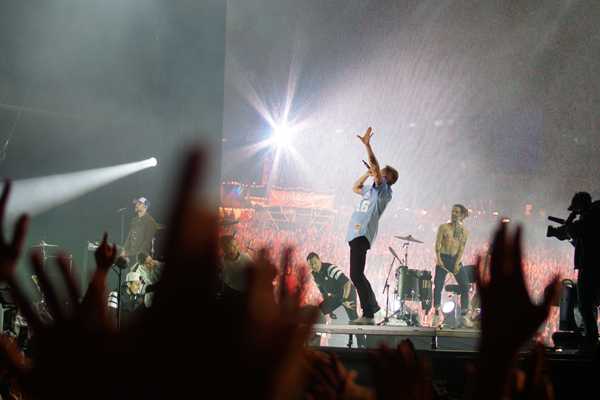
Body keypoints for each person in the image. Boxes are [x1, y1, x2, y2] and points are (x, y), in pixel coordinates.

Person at [347, 127, 398, 325]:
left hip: (362, 233)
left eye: (382, 173)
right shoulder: (372, 188)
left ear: (388, 179)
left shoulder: (384, 191)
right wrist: (366, 173)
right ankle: (372, 307)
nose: (379, 173)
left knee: (356, 274)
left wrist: (367, 145)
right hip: (355, 233)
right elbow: (355, 187)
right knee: (357, 274)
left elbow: (376, 167)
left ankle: (369, 313)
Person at [563, 192, 600, 350]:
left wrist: (569, 227)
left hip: (589, 268)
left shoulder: (589, 219)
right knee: (589, 304)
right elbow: (581, 242)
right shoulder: (592, 217)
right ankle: (592, 337)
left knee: (585, 304)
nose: (575, 213)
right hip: (593, 266)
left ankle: (591, 339)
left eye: (576, 209)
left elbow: (577, 233)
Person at [307, 252, 366, 347]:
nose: (313, 266)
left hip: (348, 292)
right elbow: (324, 293)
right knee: (318, 312)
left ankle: (362, 344)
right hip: (335, 296)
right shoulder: (315, 275)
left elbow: (347, 283)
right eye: (311, 265)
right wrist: (329, 310)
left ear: (319, 260)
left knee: (353, 318)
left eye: (315, 262)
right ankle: (315, 344)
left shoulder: (330, 269)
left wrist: (345, 300)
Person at [432, 204, 474, 328]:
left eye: (456, 212)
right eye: (453, 211)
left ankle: (464, 314)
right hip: (443, 258)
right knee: (438, 285)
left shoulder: (464, 232)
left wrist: (456, 263)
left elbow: (461, 249)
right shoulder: (443, 227)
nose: (454, 214)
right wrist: (439, 259)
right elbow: (437, 245)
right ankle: (436, 312)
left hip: (455, 259)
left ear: (461, 215)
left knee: (465, 285)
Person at [121, 197, 158, 262]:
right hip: (130, 253)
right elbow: (129, 236)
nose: (136, 205)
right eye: (136, 203)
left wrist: (139, 254)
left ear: (145, 206)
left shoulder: (150, 221)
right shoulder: (134, 220)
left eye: (139, 203)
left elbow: (147, 241)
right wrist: (124, 250)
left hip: (140, 257)